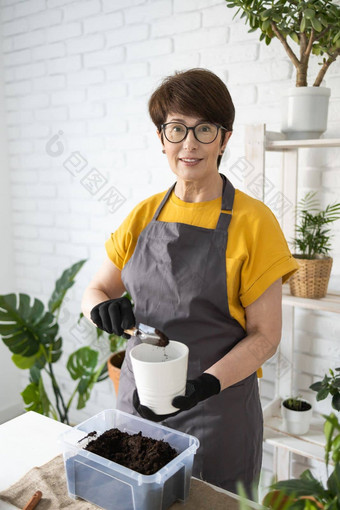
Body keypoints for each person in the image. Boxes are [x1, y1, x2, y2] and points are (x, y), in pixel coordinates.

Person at [82, 68, 299, 499]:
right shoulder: (144, 215)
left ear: (224, 138)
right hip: (138, 408)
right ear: (161, 137)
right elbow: (95, 290)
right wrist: (100, 309)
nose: (190, 144)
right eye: (177, 128)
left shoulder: (254, 223)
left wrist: (205, 385)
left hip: (215, 413)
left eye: (204, 129)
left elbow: (265, 336)